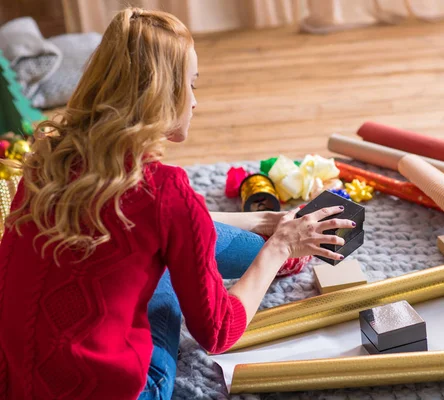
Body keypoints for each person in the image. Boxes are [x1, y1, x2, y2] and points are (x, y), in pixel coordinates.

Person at [0, 8, 355, 400]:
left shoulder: (45, 158)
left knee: (167, 240)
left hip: (14, 383)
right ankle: (289, 253)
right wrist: (278, 247)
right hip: (126, 393)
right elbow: (218, 331)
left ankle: (280, 244)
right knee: (168, 266)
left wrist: (256, 222)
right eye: (192, 84)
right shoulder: (166, 192)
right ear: (162, 94)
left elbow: (157, 219)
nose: (195, 102)